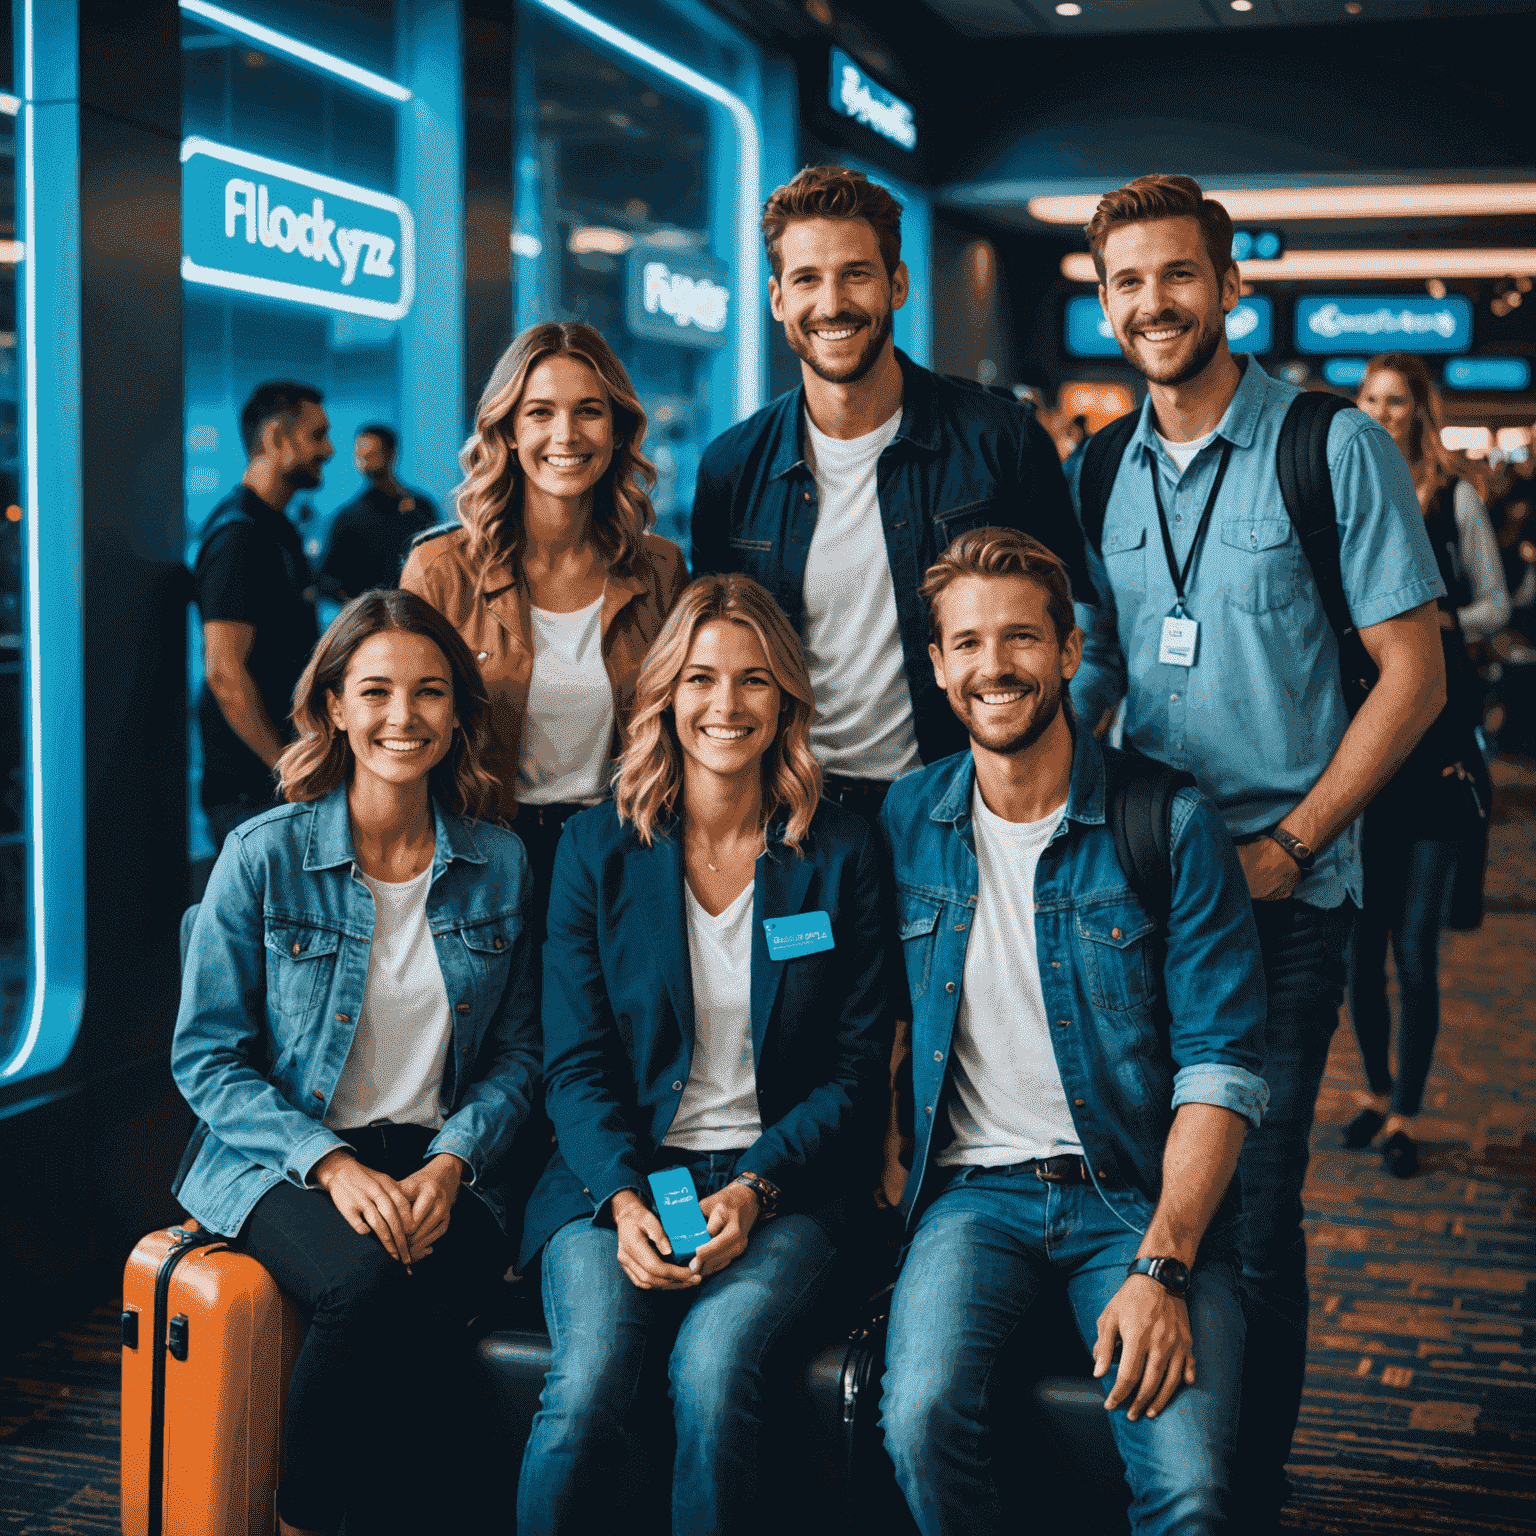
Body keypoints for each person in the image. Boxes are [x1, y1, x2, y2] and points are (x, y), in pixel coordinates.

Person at [1067, 175, 1448, 1525]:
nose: (1152, 303)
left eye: (1178, 275)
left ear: (1231, 288)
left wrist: (1294, 842)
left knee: (1255, 1208)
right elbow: (1099, 659)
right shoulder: (1098, 467)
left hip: (1287, 897)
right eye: (1126, 282)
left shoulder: (1330, 446)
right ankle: (1182, 1462)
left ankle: (1251, 1484)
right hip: (1143, 895)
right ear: (1103, 301)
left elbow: (1415, 675)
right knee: (1158, 1190)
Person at [878, 528, 1268, 1536]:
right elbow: (866, 1020)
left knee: (1188, 1491)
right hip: (973, 1201)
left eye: (1019, 639)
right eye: (966, 644)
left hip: (1137, 1201)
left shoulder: (1169, 822)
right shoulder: (906, 819)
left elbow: (1220, 1070)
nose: (993, 666)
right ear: (936, 667)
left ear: (1068, 651)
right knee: (918, 1420)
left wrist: (1162, 1265)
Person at [514, 574, 891, 1536]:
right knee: (590, 1379)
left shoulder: (842, 852)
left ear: (788, 700)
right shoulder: (595, 849)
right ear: (665, 694)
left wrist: (755, 1190)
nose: (726, 706)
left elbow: (855, 1072)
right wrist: (625, 1199)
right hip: (619, 1174)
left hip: (790, 1186)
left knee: (714, 1368)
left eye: (755, 681)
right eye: (701, 679)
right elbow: (575, 1064)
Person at [170, 589, 539, 1536]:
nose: (401, 718)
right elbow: (207, 1059)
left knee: (411, 1312)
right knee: (370, 1283)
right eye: (375, 692)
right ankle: (301, 1522)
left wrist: (454, 1161)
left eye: (428, 692)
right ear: (334, 706)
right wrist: (332, 1166)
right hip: (282, 1159)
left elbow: (520, 1054)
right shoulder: (262, 857)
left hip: (446, 1164)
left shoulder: (501, 864)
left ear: (458, 711)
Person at [691, 164, 1096, 826]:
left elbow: (1080, 626)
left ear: (896, 284)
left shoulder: (1002, 441)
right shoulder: (733, 468)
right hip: (796, 815)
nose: (832, 303)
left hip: (960, 807)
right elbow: (711, 666)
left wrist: (1039, 785)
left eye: (855, 274)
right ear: (776, 299)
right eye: (807, 280)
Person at [401, 322, 688, 934]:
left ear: (617, 429)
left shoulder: (662, 568)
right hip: (478, 862)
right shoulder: (440, 572)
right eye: (540, 412)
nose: (566, 435)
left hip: (617, 860)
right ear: (507, 429)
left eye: (589, 411)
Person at [1343, 354, 1508, 1177]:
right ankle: (1374, 1094)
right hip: (1365, 752)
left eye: (1395, 401)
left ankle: (1408, 1110)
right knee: (1359, 951)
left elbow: (1497, 605)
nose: (1381, 413)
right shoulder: (1344, 495)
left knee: (1414, 948)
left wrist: (1438, 622)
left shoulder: (1455, 496)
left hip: (1438, 757)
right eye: (1369, 400)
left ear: (1419, 411)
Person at [194, 381, 332, 849]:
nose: (329, 450)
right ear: (276, 439)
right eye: (317, 436)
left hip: (274, 784)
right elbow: (224, 672)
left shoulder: (277, 527)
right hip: (251, 793)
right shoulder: (240, 535)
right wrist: (285, 766)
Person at [318, 424, 439, 600]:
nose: (366, 462)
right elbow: (328, 577)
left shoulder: (421, 508)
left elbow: (437, 562)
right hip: (371, 617)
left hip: (416, 611)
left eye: (373, 455)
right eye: (361, 456)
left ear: (392, 454)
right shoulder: (348, 517)